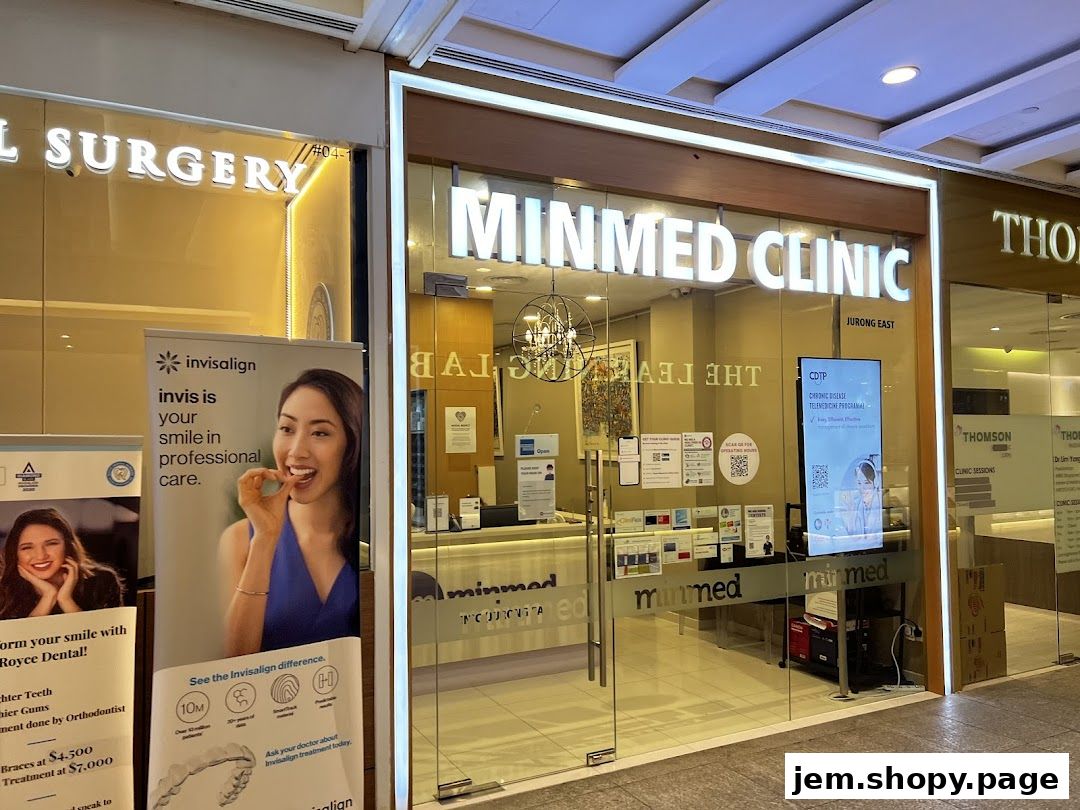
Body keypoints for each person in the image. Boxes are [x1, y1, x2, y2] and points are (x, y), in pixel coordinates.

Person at [220, 368, 363, 657]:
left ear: (352, 445)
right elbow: (233, 662)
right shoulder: (238, 539)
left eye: (320, 433)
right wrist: (265, 539)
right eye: (287, 429)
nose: (296, 451)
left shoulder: (374, 537)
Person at [0, 508, 123, 619]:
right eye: (27, 547)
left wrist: (65, 600)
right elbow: (18, 640)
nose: (41, 555)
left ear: (68, 546)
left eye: (51, 544)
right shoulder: (3, 591)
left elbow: (102, 637)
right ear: (15, 553)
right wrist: (48, 597)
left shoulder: (103, 581)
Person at [843, 459, 883, 541]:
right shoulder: (856, 504)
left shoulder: (880, 502)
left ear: (874, 482)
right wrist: (850, 515)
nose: (862, 488)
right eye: (859, 483)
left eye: (866, 483)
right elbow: (853, 536)